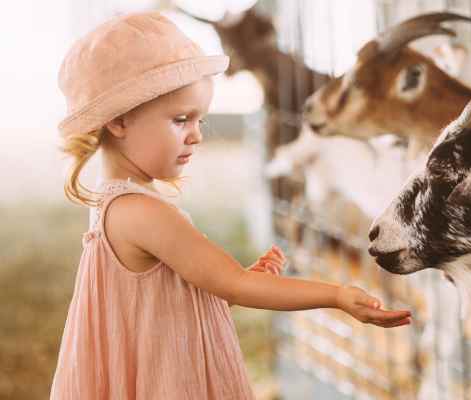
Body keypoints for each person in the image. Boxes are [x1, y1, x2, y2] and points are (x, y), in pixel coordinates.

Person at [50, 12, 411, 399]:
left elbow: (167, 297)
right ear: (119, 122)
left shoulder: (117, 202)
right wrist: (336, 296)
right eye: (181, 120)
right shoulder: (142, 212)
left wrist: (233, 282)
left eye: (200, 120)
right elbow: (235, 285)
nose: (196, 136)